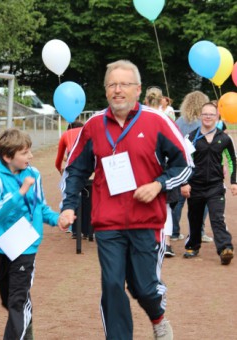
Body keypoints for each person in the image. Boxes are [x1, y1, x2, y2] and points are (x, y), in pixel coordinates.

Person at [58, 60, 192, 340]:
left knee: (143, 287)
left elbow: (185, 164)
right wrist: (69, 206)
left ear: (138, 89)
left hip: (147, 221)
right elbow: (75, 170)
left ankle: (158, 318)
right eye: (112, 84)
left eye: (124, 84)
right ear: (106, 90)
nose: (118, 90)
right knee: (112, 284)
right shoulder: (94, 125)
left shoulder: (157, 121)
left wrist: (159, 184)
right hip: (108, 223)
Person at [0, 128, 63, 340]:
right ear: (8, 157)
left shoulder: (34, 174)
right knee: (9, 301)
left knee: (17, 301)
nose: (31, 156)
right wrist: (19, 193)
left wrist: (58, 219)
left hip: (26, 245)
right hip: (2, 246)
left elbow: (41, 206)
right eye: (25, 152)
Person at [181, 102, 237, 264]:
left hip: (215, 186)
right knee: (195, 218)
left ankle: (225, 249)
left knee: (217, 217)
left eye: (211, 114)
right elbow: (183, 161)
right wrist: (184, 183)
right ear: (200, 116)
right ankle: (192, 246)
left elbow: (233, 160)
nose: (208, 117)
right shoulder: (190, 137)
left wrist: (234, 182)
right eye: (205, 114)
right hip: (195, 186)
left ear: (217, 117)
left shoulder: (225, 138)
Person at [172, 91, 212, 242]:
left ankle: (174, 232)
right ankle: (198, 232)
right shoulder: (204, 123)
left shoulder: (179, 122)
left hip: (180, 165)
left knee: (177, 200)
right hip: (200, 166)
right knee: (202, 201)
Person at [144, 87, 178, 258]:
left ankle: (151, 241)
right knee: (165, 207)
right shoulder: (169, 120)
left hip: (146, 168)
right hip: (167, 170)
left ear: (145, 101)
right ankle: (167, 243)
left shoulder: (140, 120)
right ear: (162, 101)